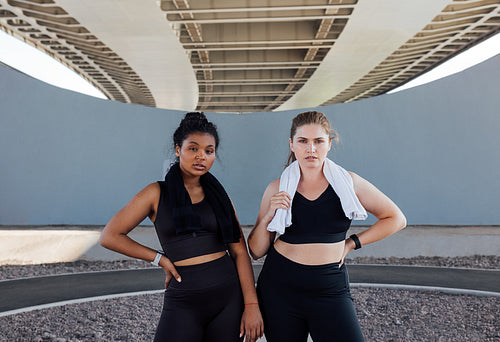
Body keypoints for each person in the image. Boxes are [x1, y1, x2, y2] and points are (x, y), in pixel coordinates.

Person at [100, 112, 263, 342]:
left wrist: (252, 305)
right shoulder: (156, 193)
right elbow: (110, 235)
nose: (201, 157)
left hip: (228, 296)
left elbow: (239, 251)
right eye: (193, 148)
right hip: (184, 299)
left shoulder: (219, 196)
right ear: (178, 150)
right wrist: (160, 259)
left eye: (209, 150)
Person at [248, 111, 406, 342]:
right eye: (303, 141)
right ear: (292, 144)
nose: (311, 149)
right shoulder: (278, 187)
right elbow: (256, 250)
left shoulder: (349, 183)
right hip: (280, 287)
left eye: (318, 141)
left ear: (329, 144)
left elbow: (396, 218)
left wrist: (352, 243)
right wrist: (269, 215)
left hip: (329, 287)